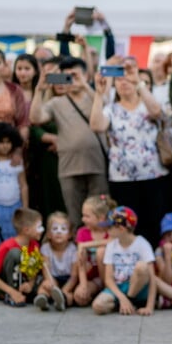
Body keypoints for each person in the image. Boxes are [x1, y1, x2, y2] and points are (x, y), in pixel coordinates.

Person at [89, 58, 168, 246]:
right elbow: (96, 125)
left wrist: (138, 82)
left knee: (153, 224)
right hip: (122, 179)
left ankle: (153, 266)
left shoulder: (147, 104)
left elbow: (157, 112)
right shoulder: (111, 109)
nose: (123, 83)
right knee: (127, 225)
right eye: (119, 80)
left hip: (152, 175)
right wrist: (99, 95)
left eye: (127, 79)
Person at [28, 56, 109, 228]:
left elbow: (107, 106)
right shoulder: (56, 102)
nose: (70, 80)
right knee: (74, 216)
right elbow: (35, 118)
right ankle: (78, 248)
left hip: (96, 164)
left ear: (86, 75)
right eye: (66, 76)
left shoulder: (95, 97)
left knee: (101, 214)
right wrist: (38, 91)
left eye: (74, 75)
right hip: (68, 167)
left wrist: (85, 85)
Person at [0, 208, 59, 309]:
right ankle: (8, 294)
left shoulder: (34, 245)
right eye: (39, 227)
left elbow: (34, 269)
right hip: (7, 284)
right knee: (15, 254)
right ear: (26, 230)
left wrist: (30, 283)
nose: (42, 230)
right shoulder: (7, 246)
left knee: (43, 282)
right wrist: (12, 291)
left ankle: (40, 296)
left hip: (23, 282)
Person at [91, 206, 156, 316]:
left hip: (138, 287)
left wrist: (150, 307)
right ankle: (125, 303)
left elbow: (152, 279)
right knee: (97, 306)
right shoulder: (111, 246)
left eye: (109, 227)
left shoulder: (142, 244)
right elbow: (108, 279)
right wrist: (121, 298)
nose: (107, 230)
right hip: (119, 287)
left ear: (121, 228)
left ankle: (129, 300)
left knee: (142, 266)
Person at [73, 195, 116, 307]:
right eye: (83, 215)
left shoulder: (111, 230)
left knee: (101, 251)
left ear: (101, 218)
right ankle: (96, 293)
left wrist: (86, 244)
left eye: (87, 216)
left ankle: (108, 290)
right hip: (94, 279)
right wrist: (83, 285)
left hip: (111, 277)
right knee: (79, 297)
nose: (83, 219)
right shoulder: (82, 232)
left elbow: (112, 241)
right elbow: (81, 263)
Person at [40, 211, 77, 309]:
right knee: (43, 286)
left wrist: (63, 291)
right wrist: (51, 284)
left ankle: (62, 300)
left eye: (63, 229)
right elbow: (46, 270)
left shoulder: (73, 249)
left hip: (68, 279)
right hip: (53, 278)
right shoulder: (45, 248)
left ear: (69, 234)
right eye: (55, 228)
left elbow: (74, 276)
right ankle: (43, 299)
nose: (59, 232)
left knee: (69, 296)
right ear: (48, 234)